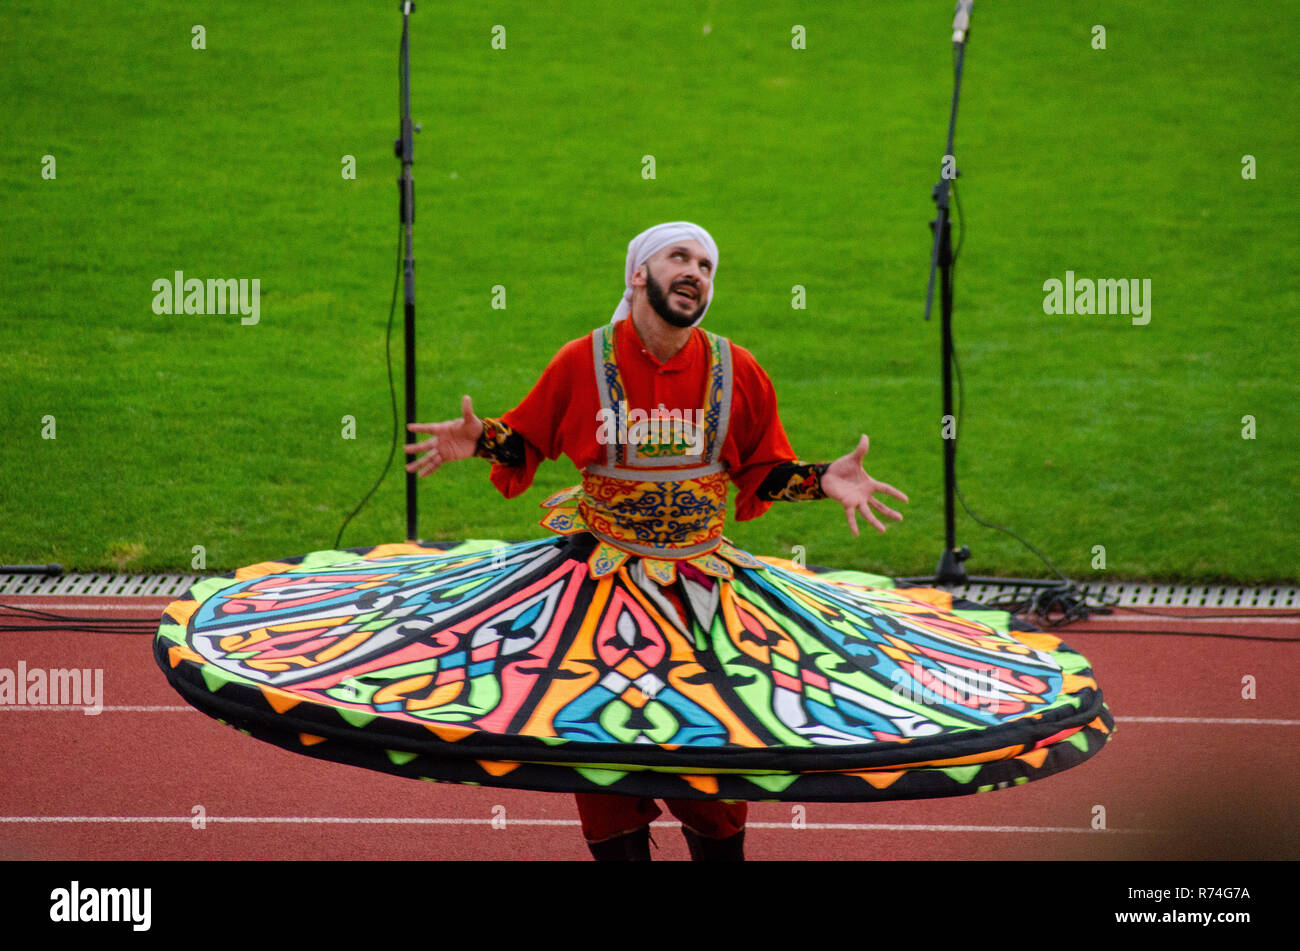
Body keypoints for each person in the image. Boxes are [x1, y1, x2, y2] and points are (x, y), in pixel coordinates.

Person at [404, 221, 908, 861]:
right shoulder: (581, 360)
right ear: (639, 274)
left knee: (711, 759)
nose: (696, 271)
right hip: (596, 587)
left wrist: (821, 480)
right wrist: (481, 440)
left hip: (702, 590)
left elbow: (761, 470)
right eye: (680, 257)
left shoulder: (736, 368)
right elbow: (529, 438)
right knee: (603, 752)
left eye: (706, 264)